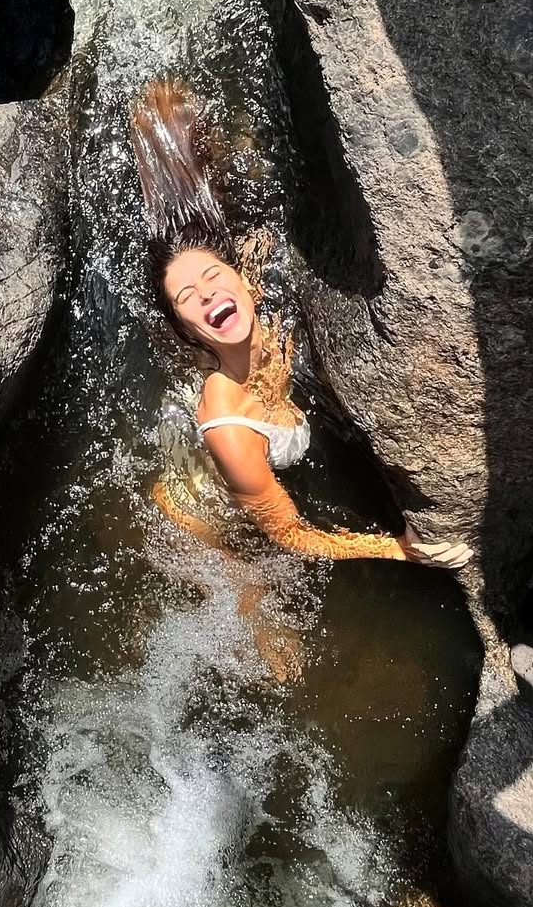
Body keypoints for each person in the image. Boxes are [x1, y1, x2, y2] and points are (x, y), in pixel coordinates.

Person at [130, 78, 471, 677]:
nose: (209, 294)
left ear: (238, 276)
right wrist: (397, 548)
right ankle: (248, 602)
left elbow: (245, 245)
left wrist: (198, 145)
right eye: (188, 297)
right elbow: (289, 533)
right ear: (185, 329)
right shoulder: (230, 429)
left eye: (214, 277)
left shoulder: (252, 291)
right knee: (254, 587)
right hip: (199, 509)